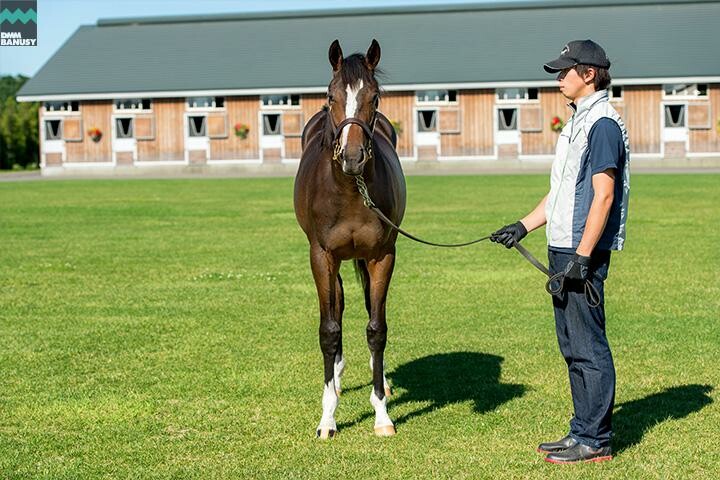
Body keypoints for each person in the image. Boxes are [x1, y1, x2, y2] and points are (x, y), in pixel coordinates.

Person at [490, 39, 630, 464]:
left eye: (564, 71)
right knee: (571, 345)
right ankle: (581, 430)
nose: (558, 78)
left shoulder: (602, 123)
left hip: (578, 253)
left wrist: (582, 259)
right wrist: (522, 226)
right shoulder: (576, 121)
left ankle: (597, 441)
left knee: (588, 345)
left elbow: (603, 197)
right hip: (563, 247)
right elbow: (561, 195)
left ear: (589, 73)